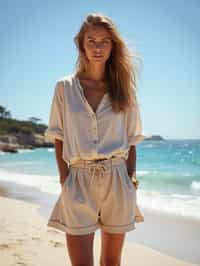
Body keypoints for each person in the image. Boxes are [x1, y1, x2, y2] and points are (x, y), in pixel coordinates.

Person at [45, 13, 147, 266]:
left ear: (113, 46)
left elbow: (131, 138)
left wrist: (130, 177)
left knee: (111, 262)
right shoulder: (64, 88)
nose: (98, 47)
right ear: (81, 44)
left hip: (117, 178)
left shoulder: (124, 90)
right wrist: (64, 178)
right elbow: (58, 135)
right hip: (78, 179)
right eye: (91, 40)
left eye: (104, 41)